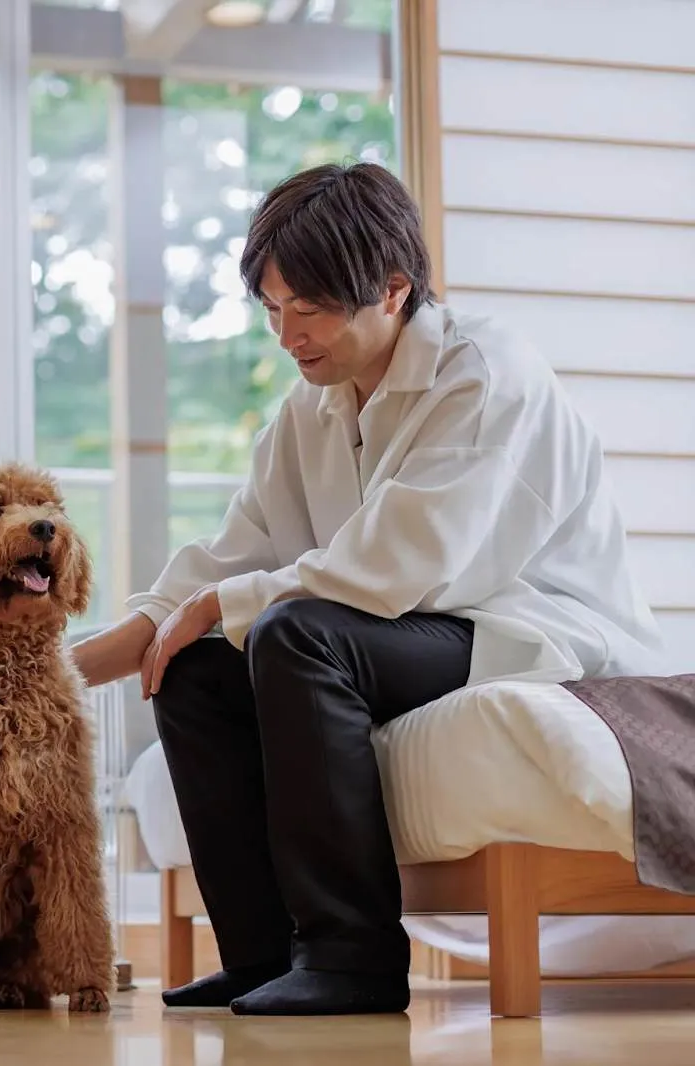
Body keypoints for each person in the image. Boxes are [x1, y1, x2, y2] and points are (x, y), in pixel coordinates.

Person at [72, 161, 665, 1017]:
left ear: (392, 289)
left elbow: (399, 566)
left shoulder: (487, 372)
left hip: (530, 633)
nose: (286, 334)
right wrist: (70, 664)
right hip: (411, 634)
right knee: (198, 669)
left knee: (295, 632)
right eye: (273, 310)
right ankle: (260, 957)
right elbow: (229, 556)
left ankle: (354, 957)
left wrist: (223, 604)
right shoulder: (306, 413)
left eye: (307, 308)